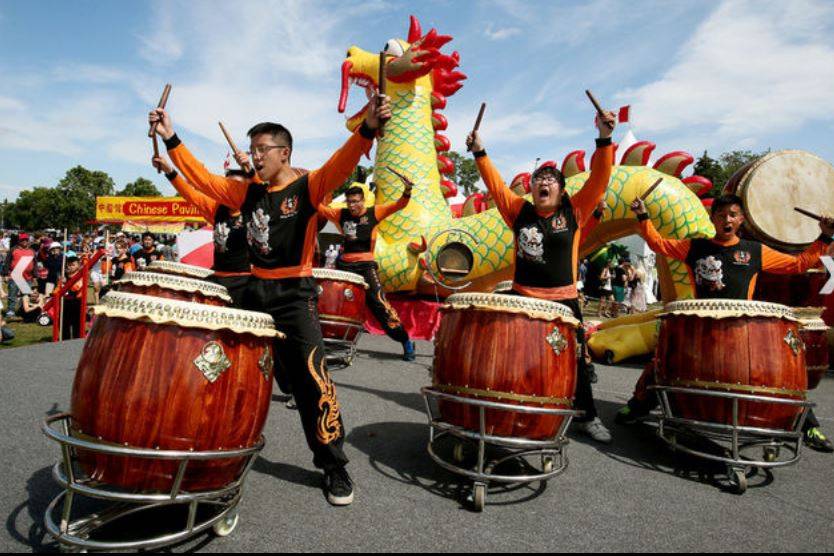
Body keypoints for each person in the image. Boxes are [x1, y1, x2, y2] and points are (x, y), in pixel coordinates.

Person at [151, 90, 391, 505]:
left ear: (284, 152)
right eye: (252, 150)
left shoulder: (311, 187)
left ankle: (334, 466)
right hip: (253, 292)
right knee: (230, 375)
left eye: (262, 150)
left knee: (314, 382)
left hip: (295, 296)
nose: (255, 156)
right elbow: (203, 181)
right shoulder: (247, 194)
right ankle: (217, 460)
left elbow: (345, 159)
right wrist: (172, 139)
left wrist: (368, 127)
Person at [617, 194, 834, 453]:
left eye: (732, 214)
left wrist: (825, 238)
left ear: (741, 219)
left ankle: (806, 423)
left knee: (775, 376)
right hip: (701, 328)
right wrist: (643, 216)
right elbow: (658, 244)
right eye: (721, 215)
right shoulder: (694, 247)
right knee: (665, 362)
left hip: (741, 331)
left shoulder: (755, 251)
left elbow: (799, 264)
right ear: (713, 219)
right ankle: (638, 405)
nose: (726, 220)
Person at [466, 105, 616, 443]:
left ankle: (587, 416)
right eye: (539, 179)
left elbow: (599, 178)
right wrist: (480, 152)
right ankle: (510, 409)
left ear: (562, 191)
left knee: (576, 363)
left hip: (564, 302)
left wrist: (605, 138)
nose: (543, 183)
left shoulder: (575, 210)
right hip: (522, 298)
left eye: (551, 180)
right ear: (531, 188)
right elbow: (496, 186)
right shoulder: (518, 211)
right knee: (514, 359)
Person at [317, 179, 416, 361]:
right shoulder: (341, 214)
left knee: (380, 305)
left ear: (363, 201)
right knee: (332, 300)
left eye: (356, 201)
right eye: (350, 202)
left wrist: (407, 189)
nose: (353, 205)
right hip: (345, 265)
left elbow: (399, 205)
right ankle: (329, 341)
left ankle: (405, 340)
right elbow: (320, 209)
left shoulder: (374, 212)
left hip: (366, 265)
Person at [153, 156, 254, 308]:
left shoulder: (255, 210)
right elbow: (190, 194)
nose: (230, 192)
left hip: (245, 282)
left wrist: (251, 169)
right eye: (227, 187)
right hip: (218, 280)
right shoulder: (216, 209)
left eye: (236, 187)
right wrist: (169, 170)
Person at [3, 233, 35, 318]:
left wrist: (35, 275)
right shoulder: (13, 250)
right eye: (23, 240)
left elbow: (34, 263)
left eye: (26, 240)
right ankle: (10, 312)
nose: (25, 241)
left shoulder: (31, 251)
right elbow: (7, 262)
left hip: (27, 277)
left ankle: (23, 311)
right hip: (15, 276)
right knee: (12, 295)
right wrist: (5, 274)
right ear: (19, 241)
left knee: (26, 296)